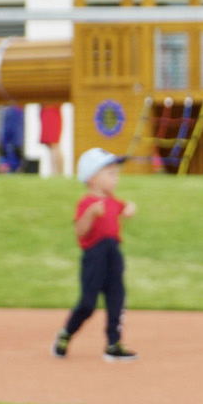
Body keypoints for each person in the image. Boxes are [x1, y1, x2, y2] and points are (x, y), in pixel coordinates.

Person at [51, 147, 139, 362]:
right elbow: (80, 231)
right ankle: (66, 334)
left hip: (113, 253)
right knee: (87, 304)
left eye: (116, 173)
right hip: (95, 256)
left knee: (116, 299)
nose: (115, 178)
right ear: (92, 178)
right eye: (110, 173)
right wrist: (90, 214)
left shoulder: (113, 201)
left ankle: (113, 344)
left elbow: (124, 208)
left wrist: (129, 208)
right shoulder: (87, 203)